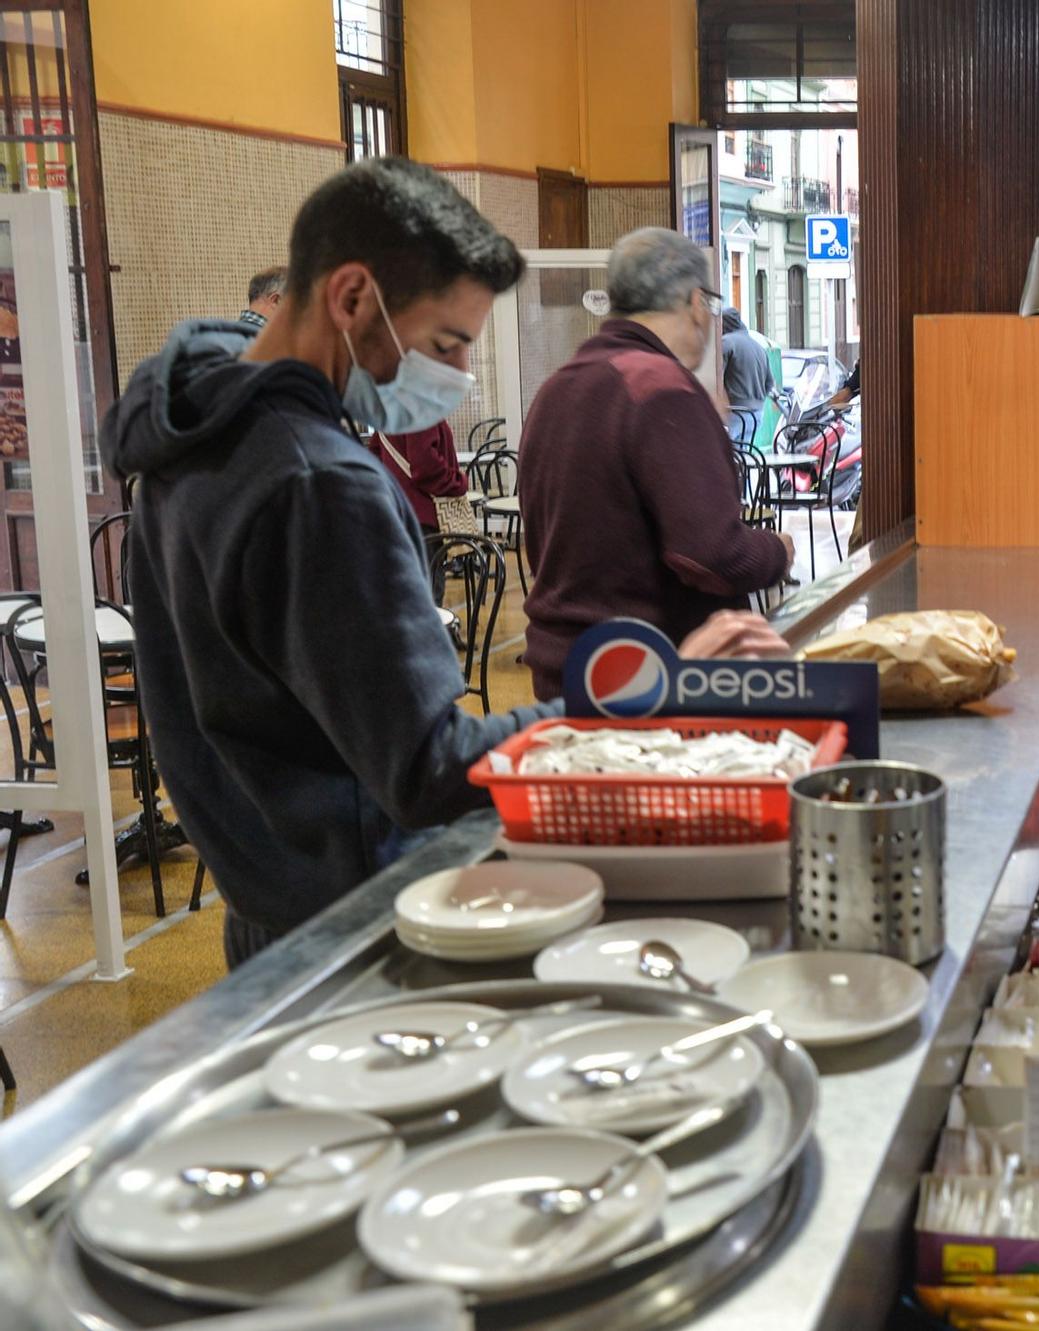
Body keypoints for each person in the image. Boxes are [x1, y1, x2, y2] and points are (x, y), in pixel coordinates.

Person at [105, 159, 787, 968]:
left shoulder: (192, 432)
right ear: (352, 297)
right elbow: (430, 767)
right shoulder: (321, 484)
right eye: (446, 342)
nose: (461, 377)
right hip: (360, 919)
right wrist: (648, 694)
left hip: (261, 903)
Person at [521, 227, 794, 701]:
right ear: (694, 302)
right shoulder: (661, 387)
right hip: (649, 682)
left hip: (563, 674)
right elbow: (713, 555)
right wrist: (778, 550)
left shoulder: (558, 387)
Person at [364, 418, 469, 534]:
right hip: (427, 515)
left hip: (398, 511)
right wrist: (458, 483)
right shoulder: (421, 409)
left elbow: (375, 453)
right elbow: (426, 467)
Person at [720, 305, 774, 443]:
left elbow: (716, 378)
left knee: (726, 456)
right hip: (756, 414)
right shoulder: (759, 347)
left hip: (735, 412)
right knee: (744, 457)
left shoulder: (726, 342)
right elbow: (769, 384)